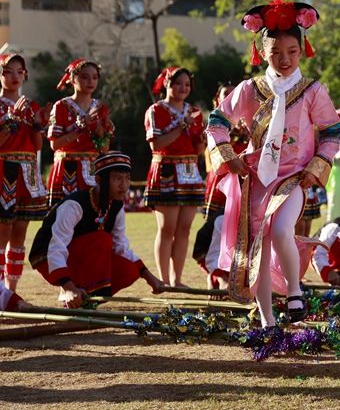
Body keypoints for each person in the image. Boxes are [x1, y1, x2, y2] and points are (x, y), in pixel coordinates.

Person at [206, 0, 340, 326]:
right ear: (261, 51)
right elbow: (217, 121)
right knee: (259, 252)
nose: (284, 59)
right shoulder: (249, 89)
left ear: (303, 49)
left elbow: (333, 132)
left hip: (295, 174)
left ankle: (295, 290)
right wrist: (228, 157)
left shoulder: (312, 91)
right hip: (256, 177)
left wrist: (317, 166)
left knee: (282, 230)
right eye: (276, 53)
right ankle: (267, 319)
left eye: (292, 52)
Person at [29, 151, 164, 308]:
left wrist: (149, 277)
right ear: (100, 180)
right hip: (47, 256)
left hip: (82, 254)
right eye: (117, 179)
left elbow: (121, 248)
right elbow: (56, 248)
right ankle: (74, 294)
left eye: (127, 179)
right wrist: (68, 288)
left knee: (129, 270)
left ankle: (87, 300)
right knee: (102, 240)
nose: (124, 185)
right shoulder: (75, 205)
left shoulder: (116, 207)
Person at [144, 66, 205, 287]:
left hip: (189, 171)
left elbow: (196, 149)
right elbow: (157, 144)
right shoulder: (155, 110)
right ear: (167, 84)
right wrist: (181, 126)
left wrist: (204, 140)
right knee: (166, 227)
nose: (183, 88)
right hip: (166, 169)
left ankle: (178, 279)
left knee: (185, 228)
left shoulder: (195, 112)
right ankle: (164, 279)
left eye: (187, 84)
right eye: (178, 83)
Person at [0, 53, 48, 291]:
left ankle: (12, 289)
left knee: (20, 232)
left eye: (20, 71)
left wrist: (39, 125)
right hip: (4, 169)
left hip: (27, 171)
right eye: (8, 71)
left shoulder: (31, 106)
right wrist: (11, 119)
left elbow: (38, 146)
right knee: (3, 231)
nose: (15, 76)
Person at [193, 84, 248, 290]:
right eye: (226, 94)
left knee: (237, 233)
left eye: (235, 94)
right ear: (217, 100)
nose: (231, 98)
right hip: (219, 187)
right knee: (215, 231)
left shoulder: (247, 126)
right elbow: (214, 153)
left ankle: (229, 276)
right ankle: (214, 274)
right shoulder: (215, 125)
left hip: (242, 188)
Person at [46, 59, 115, 206]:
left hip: (94, 168)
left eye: (95, 77)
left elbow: (104, 148)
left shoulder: (101, 108)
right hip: (67, 169)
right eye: (84, 77)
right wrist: (79, 129)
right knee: (66, 217)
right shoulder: (61, 107)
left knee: (93, 216)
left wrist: (98, 129)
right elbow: (55, 144)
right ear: (72, 79)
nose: (90, 81)